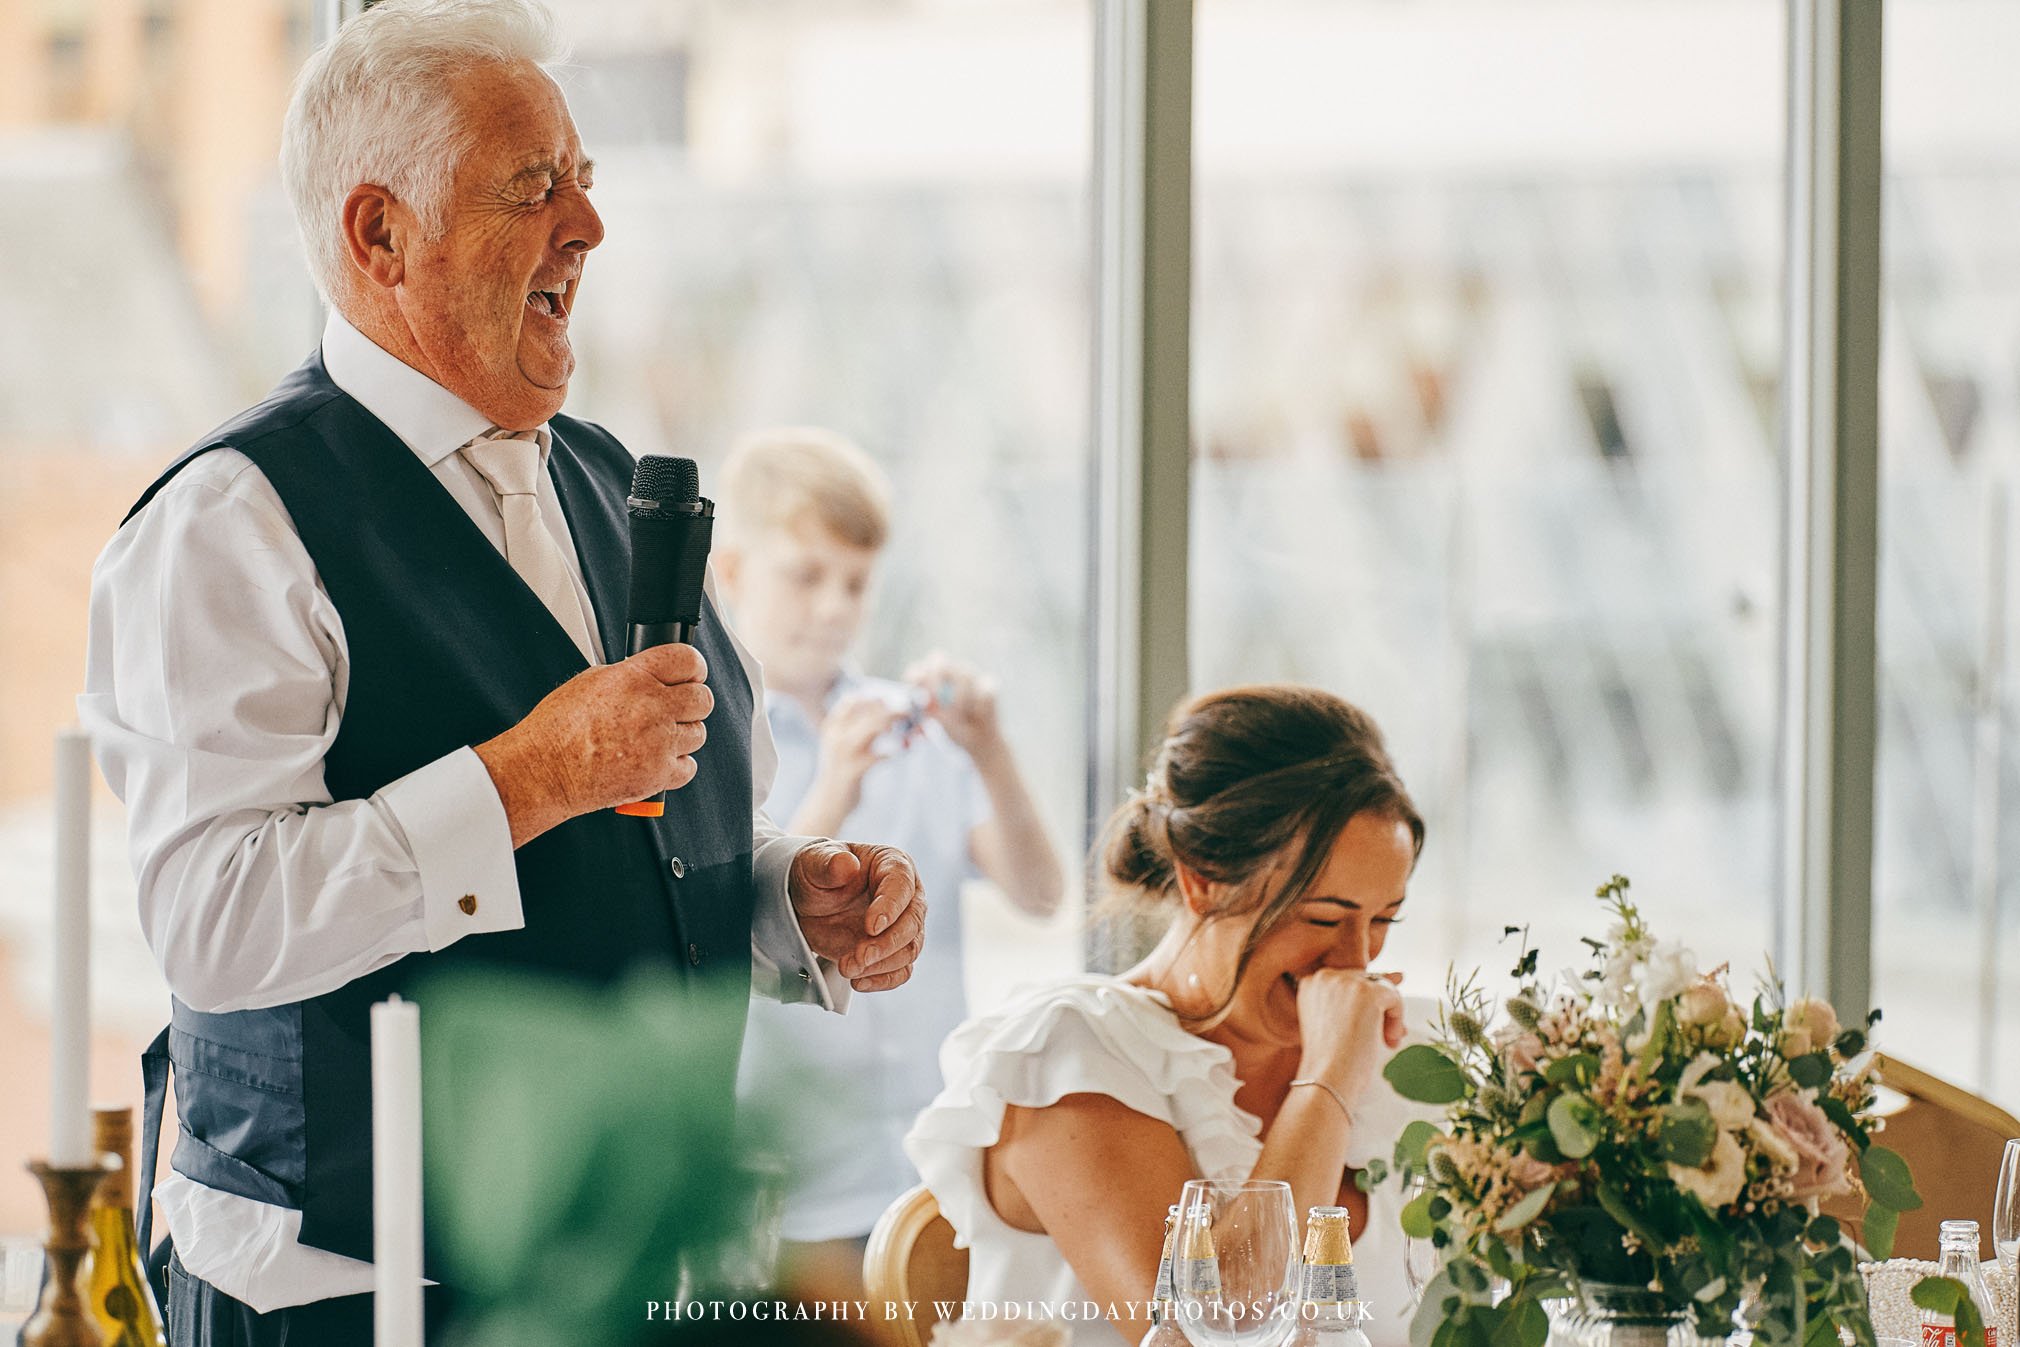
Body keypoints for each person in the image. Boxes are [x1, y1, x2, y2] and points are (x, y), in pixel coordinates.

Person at [77, 3, 925, 1343]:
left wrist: (780, 895)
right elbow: (214, 918)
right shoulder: (231, 523)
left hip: (635, 1272)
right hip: (352, 1295)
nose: (587, 226)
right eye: (535, 187)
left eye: (583, 180)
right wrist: (538, 772)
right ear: (379, 235)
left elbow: (628, 841)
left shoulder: (606, 475)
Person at [905, 686, 1434, 1347]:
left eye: (1383, 919)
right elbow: (1214, 1333)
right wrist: (1329, 1079)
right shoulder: (1069, 1053)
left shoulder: (1405, 1051)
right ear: (1204, 878)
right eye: (1322, 916)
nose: (1354, 960)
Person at [715, 427, 1064, 1288]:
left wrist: (989, 750)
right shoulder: (707, 737)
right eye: (806, 575)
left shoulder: (916, 731)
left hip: (934, 1171)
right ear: (729, 573)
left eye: (856, 583)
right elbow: (729, 920)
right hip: (788, 1182)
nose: (834, 607)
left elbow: (1042, 891)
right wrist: (830, 789)